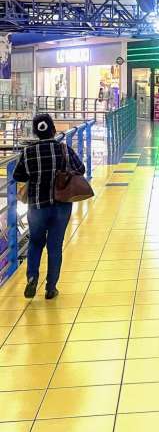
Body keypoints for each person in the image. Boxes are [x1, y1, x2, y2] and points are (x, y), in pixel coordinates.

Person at [13, 113, 85, 300]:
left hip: (37, 206)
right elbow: (81, 169)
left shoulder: (28, 153)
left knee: (35, 242)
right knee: (55, 246)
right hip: (61, 205)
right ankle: (51, 288)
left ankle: (31, 277)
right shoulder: (63, 149)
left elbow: (18, 176)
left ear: (36, 133)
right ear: (53, 130)